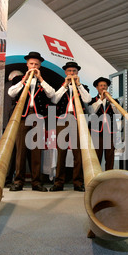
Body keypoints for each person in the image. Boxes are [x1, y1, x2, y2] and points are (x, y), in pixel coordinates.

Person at [8, 52, 55, 192]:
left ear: (39, 66)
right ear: (27, 65)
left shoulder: (43, 80)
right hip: (22, 117)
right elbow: (11, 93)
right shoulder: (18, 80)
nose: (33, 66)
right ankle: (18, 181)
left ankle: (36, 182)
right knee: (20, 151)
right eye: (31, 64)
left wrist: (40, 78)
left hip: (38, 118)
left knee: (36, 151)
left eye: (36, 64)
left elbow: (51, 94)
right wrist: (24, 80)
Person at [50, 62, 91, 192]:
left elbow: (88, 99)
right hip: (63, 119)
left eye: (74, 71)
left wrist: (78, 85)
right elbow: (54, 100)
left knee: (78, 153)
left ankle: (78, 182)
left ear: (77, 73)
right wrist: (64, 85)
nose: (72, 73)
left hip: (78, 120)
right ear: (65, 73)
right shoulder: (60, 86)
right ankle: (59, 182)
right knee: (61, 152)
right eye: (69, 71)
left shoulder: (83, 87)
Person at [88, 77, 120, 171]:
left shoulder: (114, 101)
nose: (103, 87)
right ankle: (96, 176)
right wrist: (101, 99)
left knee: (110, 156)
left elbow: (118, 114)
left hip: (110, 131)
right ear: (97, 88)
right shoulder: (92, 100)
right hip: (96, 131)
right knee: (96, 156)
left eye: (105, 85)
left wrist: (111, 102)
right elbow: (91, 112)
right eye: (101, 85)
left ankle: (109, 176)